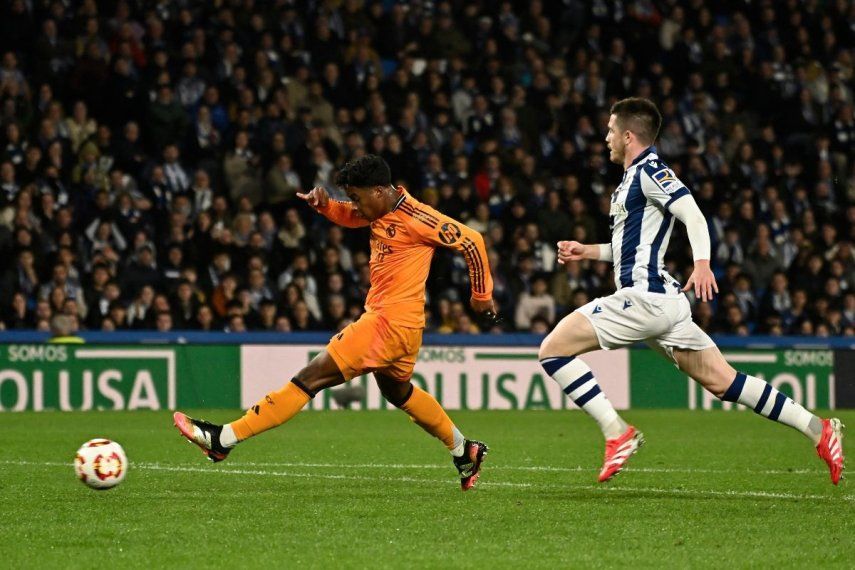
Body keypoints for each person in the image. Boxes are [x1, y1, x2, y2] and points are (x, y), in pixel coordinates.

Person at [538, 98, 845, 485]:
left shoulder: (651, 170)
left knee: (552, 350)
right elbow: (629, 248)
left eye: (611, 131)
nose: (606, 138)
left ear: (629, 135)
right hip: (662, 304)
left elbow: (693, 213)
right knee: (724, 381)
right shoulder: (629, 181)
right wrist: (589, 252)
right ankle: (819, 430)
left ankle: (616, 431)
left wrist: (702, 262)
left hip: (644, 299)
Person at [174, 155, 498, 490]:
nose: (356, 205)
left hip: (387, 324)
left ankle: (223, 439)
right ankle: (464, 450)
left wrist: (480, 294)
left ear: (379, 190)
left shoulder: (417, 216)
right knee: (397, 391)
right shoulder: (381, 209)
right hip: (405, 327)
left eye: (358, 197)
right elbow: (353, 215)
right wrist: (327, 205)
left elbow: (472, 240)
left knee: (309, 378)